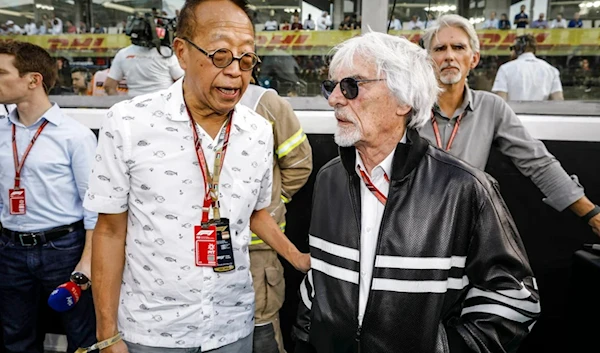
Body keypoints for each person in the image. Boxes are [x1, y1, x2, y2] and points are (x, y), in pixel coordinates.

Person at [293, 30, 540, 353]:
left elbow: (516, 299)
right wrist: (306, 340)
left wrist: (445, 347)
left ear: (403, 100)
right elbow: (320, 282)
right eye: (332, 86)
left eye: (351, 86)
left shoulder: (465, 189)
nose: (334, 99)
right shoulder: (330, 179)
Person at [84, 1, 310, 352]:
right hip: (152, 330)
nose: (236, 71)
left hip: (232, 325)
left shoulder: (258, 131)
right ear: (181, 52)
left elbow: (253, 212)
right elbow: (110, 231)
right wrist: (107, 334)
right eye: (220, 55)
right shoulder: (128, 123)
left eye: (246, 59)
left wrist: (297, 258)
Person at [419, 15, 600, 236]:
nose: (449, 56)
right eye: (439, 49)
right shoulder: (409, 108)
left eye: (458, 47)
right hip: (413, 223)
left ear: (474, 59)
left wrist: (591, 213)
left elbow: (538, 162)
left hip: (464, 227)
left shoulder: (491, 107)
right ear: (427, 60)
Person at [0, 41, 98, 353]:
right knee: (15, 337)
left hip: (64, 249)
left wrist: (87, 262)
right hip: (9, 248)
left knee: (82, 337)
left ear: (33, 79)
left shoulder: (75, 136)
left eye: (2, 72)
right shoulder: (2, 131)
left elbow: (94, 206)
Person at [240, 82, 312, 353]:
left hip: (257, 251)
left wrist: (268, 204)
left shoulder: (265, 102)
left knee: (262, 334)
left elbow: (299, 164)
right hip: (201, 254)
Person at [492, 34, 563, 101]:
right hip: (541, 113)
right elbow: (558, 100)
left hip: (514, 113)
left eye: (512, 48)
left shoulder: (505, 69)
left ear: (517, 49)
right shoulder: (551, 70)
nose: (511, 52)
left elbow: (501, 100)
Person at [103, 40, 184, 97]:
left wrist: (120, 107)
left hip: (134, 107)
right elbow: (185, 83)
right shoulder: (166, 53)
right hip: (163, 105)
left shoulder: (123, 54)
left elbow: (109, 86)